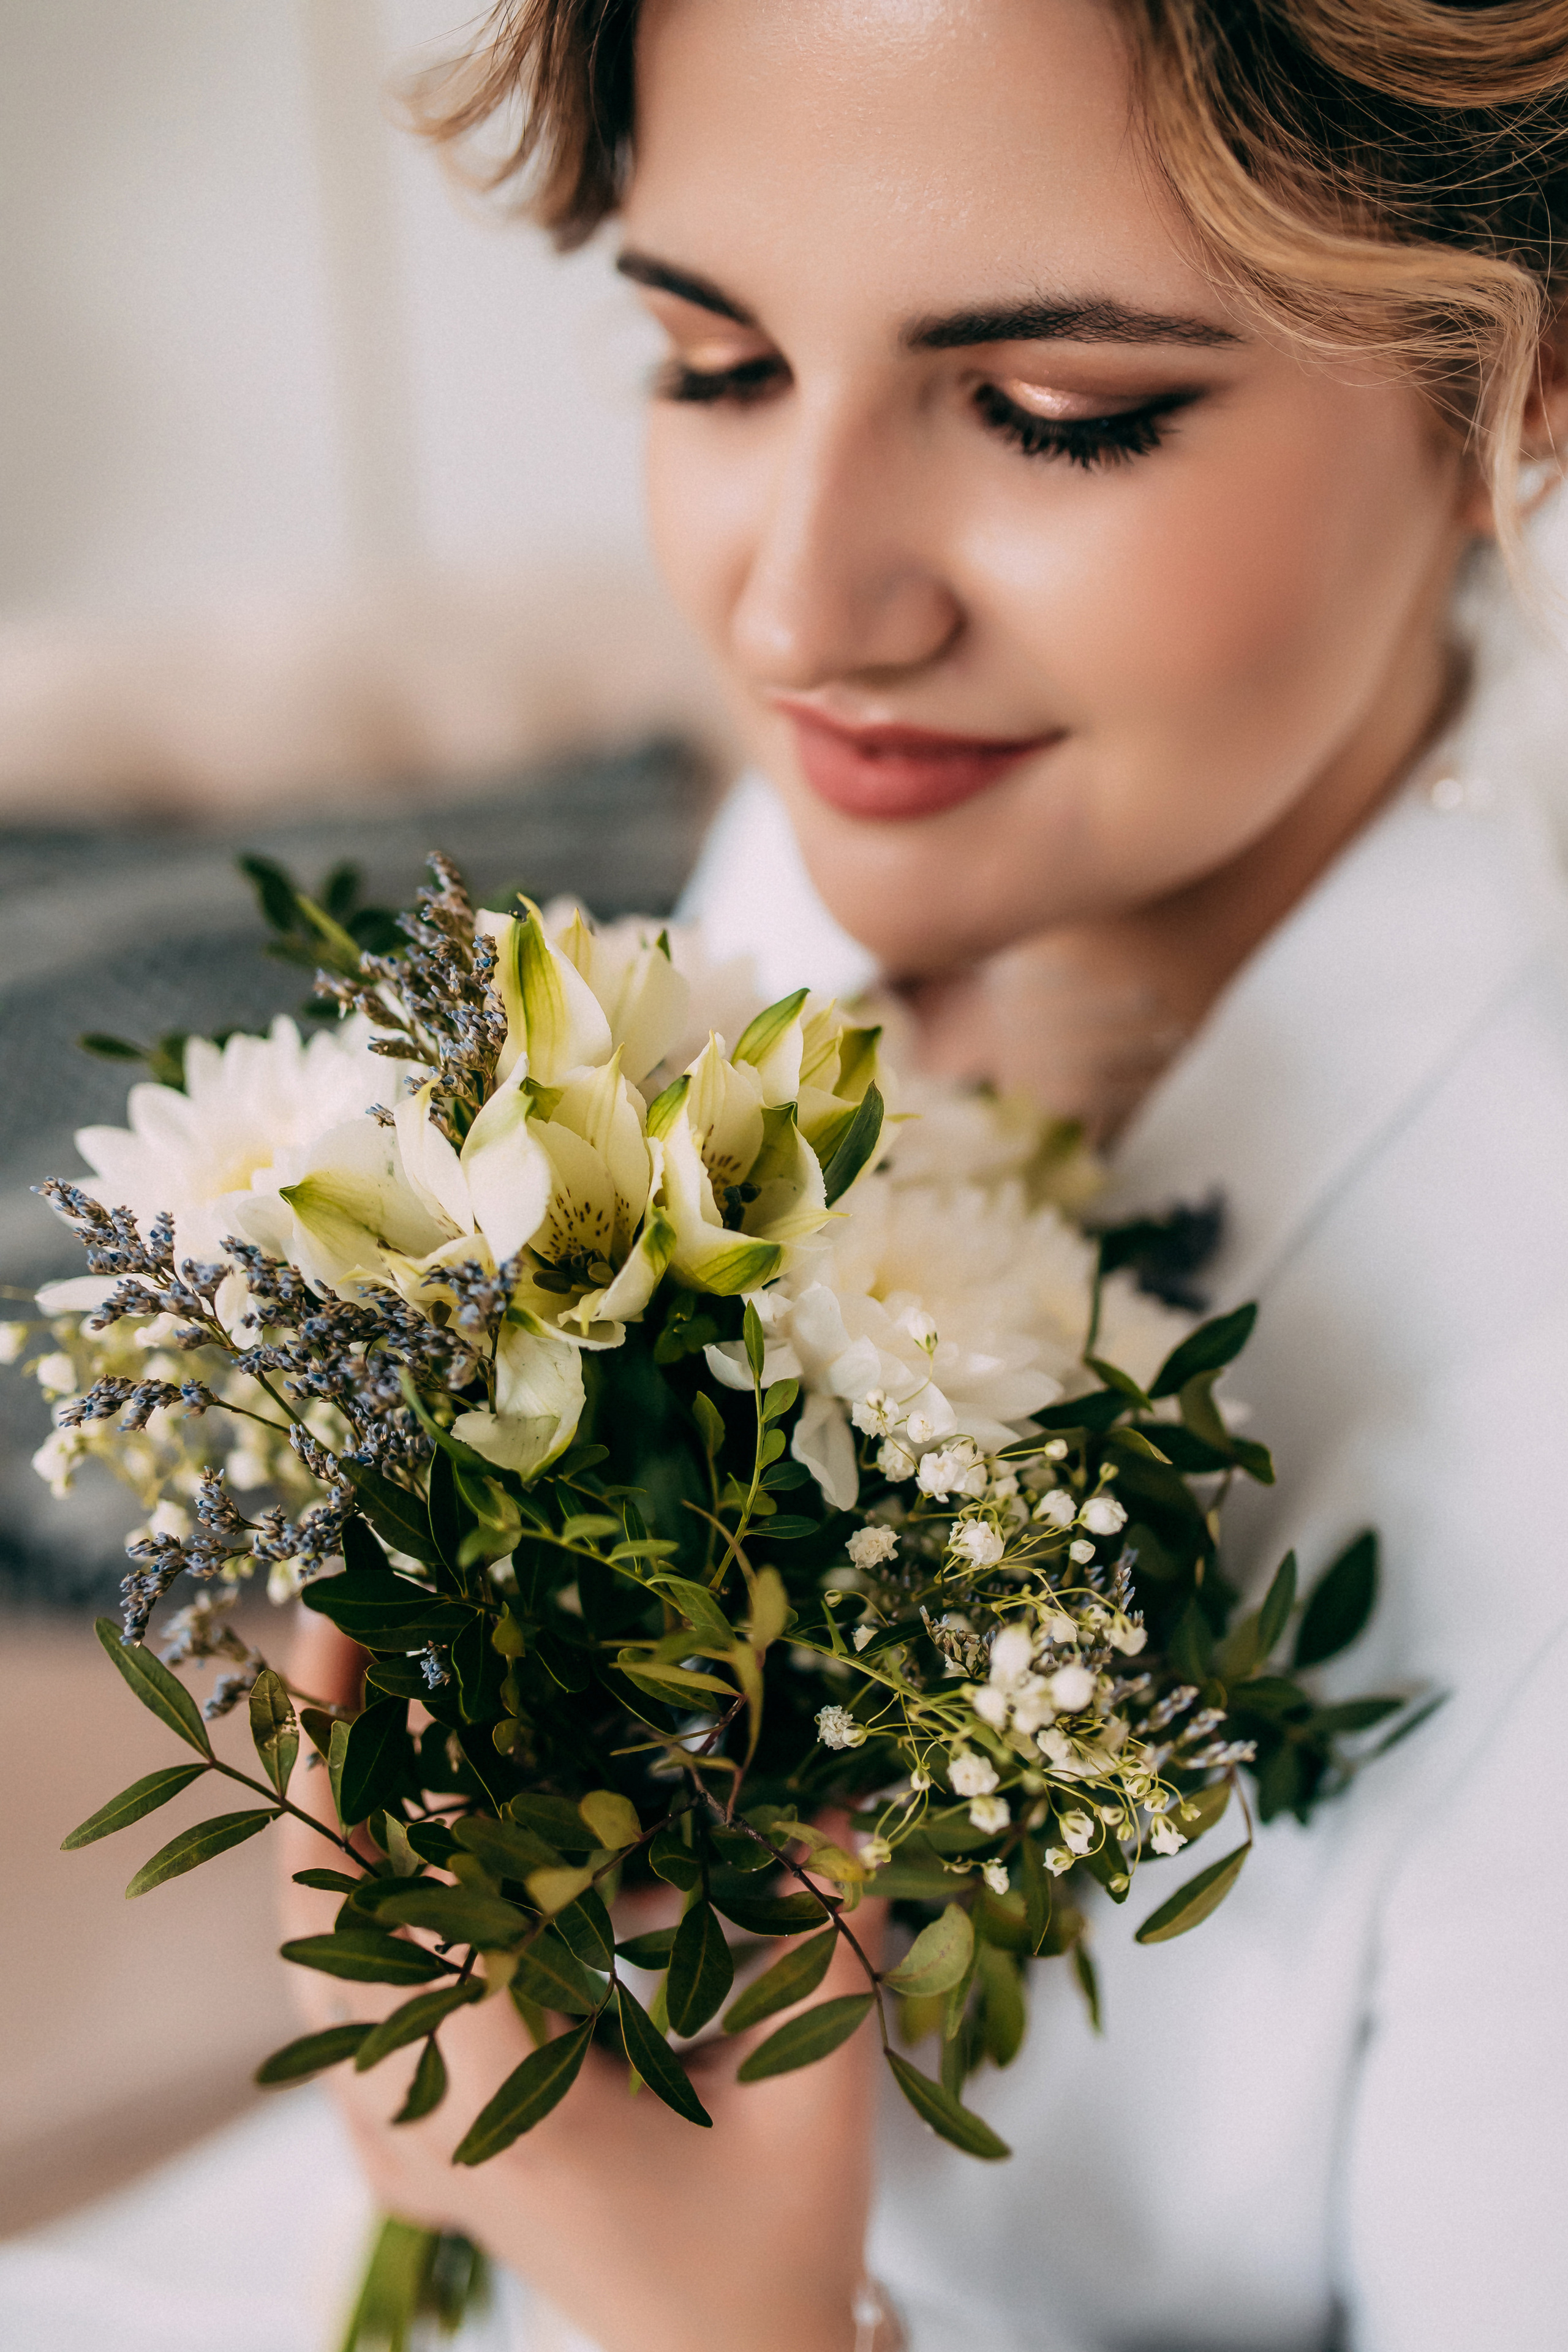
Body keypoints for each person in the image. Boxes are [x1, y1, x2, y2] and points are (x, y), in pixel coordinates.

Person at [6, 2, 1567, 2347]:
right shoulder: (830, 884)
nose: (795, 613)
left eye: (1062, 413)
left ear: (1520, 394)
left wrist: (731, 2325)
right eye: (714, 365)